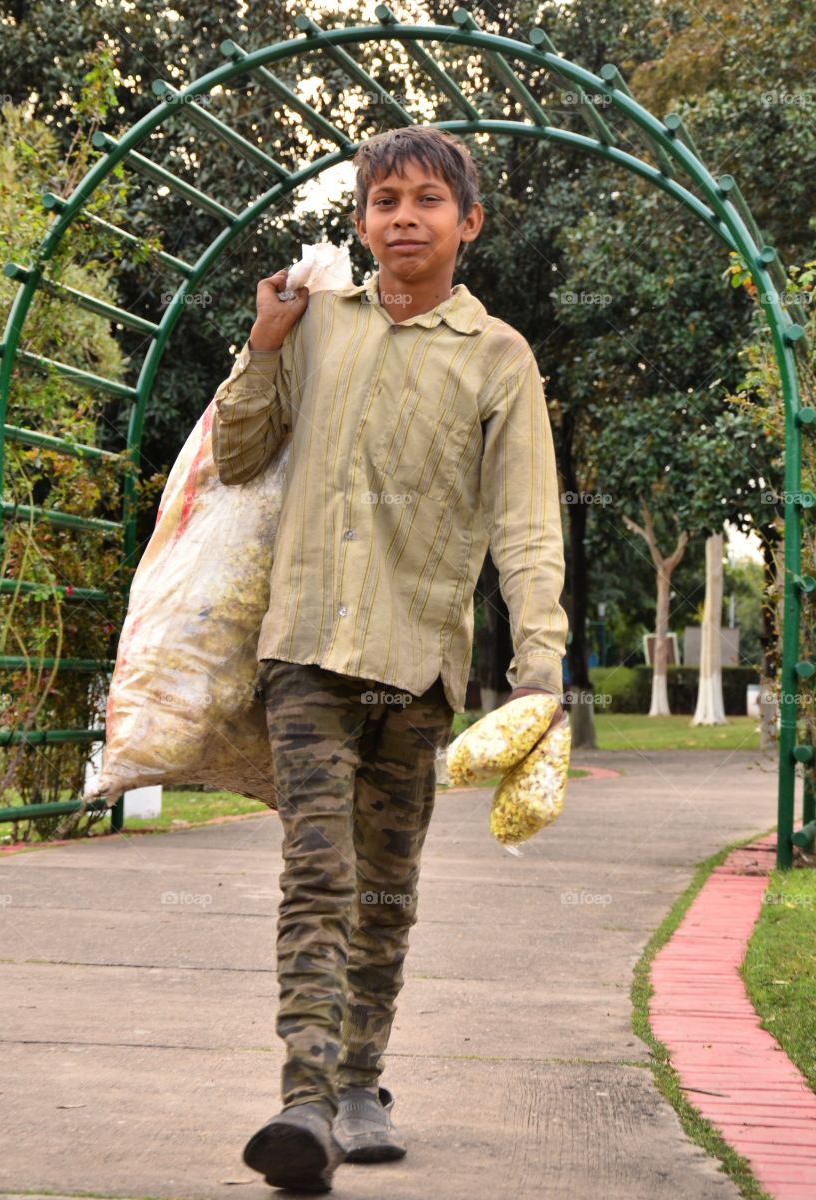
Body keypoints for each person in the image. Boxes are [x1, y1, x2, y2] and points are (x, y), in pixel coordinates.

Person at [210, 125, 569, 1192]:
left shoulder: (499, 357)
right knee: (318, 875)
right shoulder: (315, 326)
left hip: (417, 663)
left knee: (385, 888)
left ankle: (363, 1081)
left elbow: (527, 526)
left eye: (425, 200)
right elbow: (237, 454)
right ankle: (305, 1103)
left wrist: (540, 668)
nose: (402, 217)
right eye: (382, 201)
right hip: (307, 648)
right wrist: (264, 345)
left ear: (470, 222)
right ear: (360, 221)